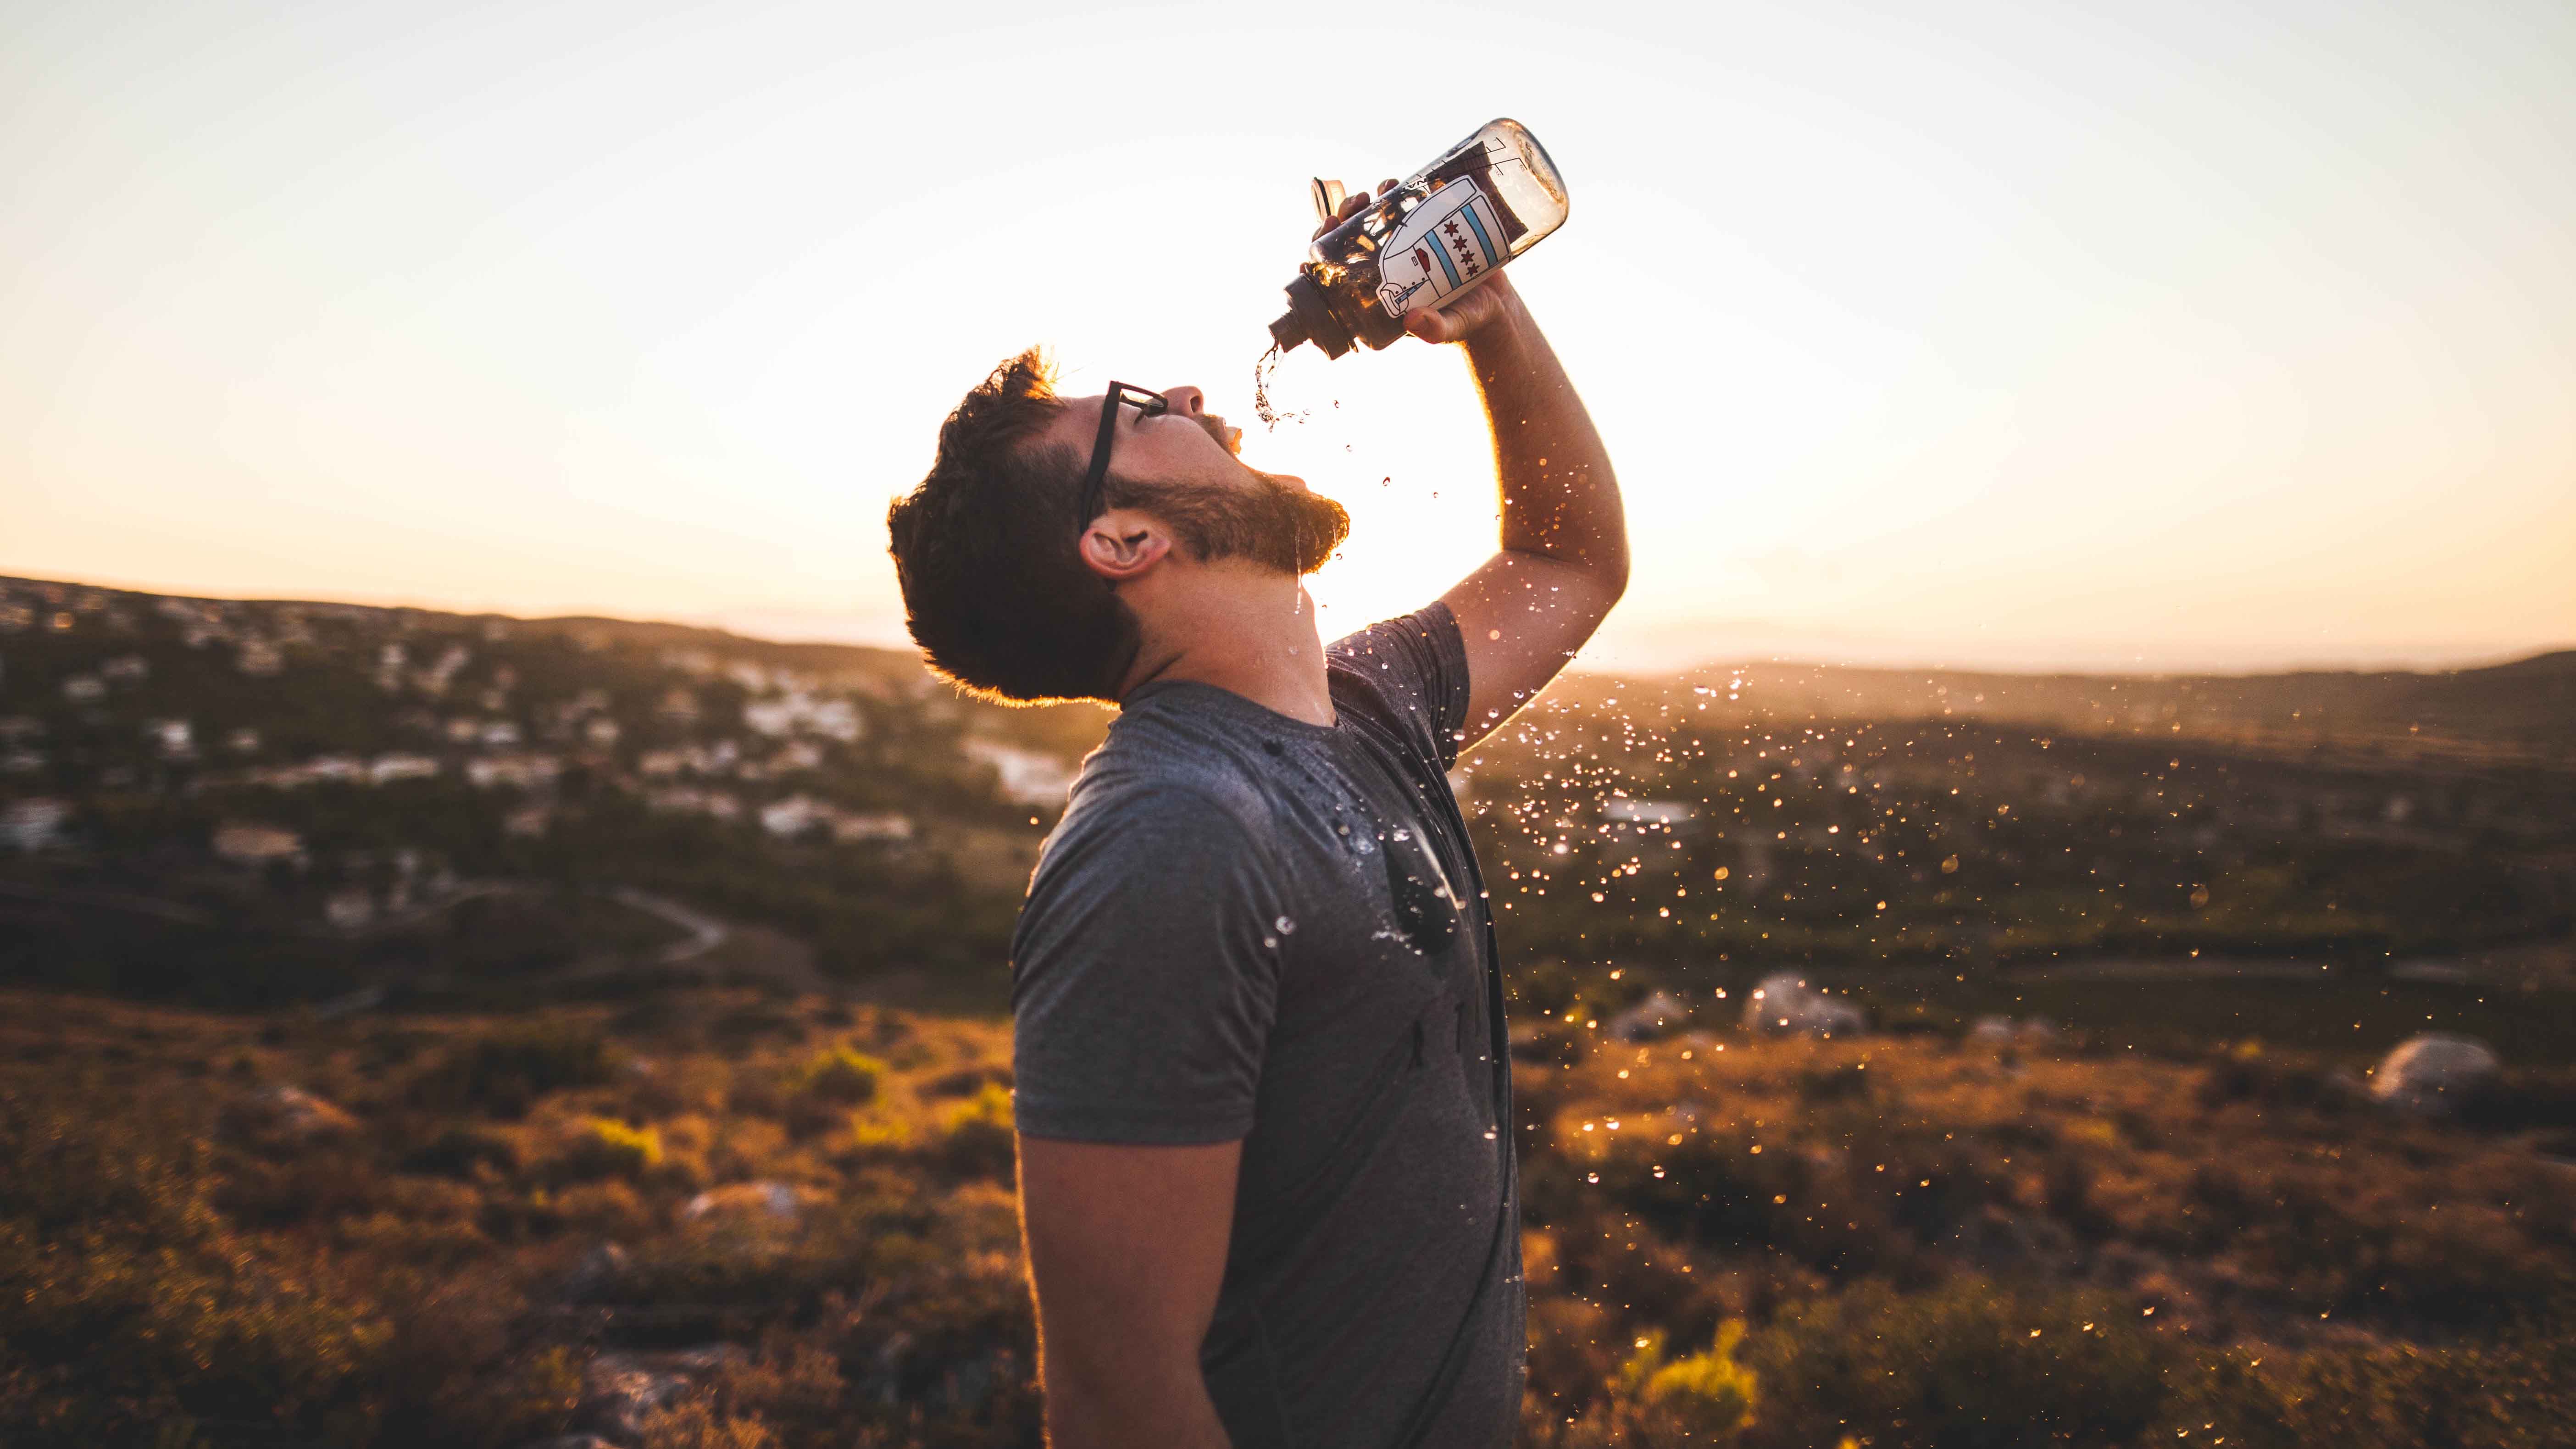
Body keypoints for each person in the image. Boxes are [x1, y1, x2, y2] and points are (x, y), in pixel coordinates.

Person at [884, 183, 1626, 1449]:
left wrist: (1491, 317)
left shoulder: (1362, 710)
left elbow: (1567, 561)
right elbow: (1119, 1403)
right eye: (1135, 413)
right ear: (1121, 539)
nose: (1185, 395)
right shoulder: (1172, 840)